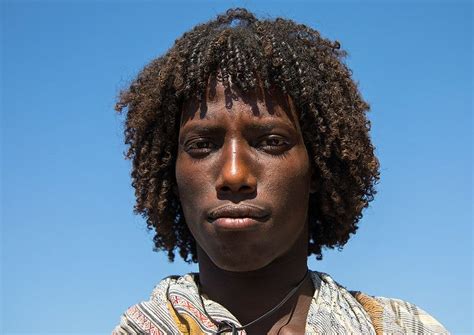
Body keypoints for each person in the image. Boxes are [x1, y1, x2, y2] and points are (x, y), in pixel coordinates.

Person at [112, 8, 448, 334]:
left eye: (271, 142)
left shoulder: (400, 328)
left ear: (317, 168)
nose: (233, 175)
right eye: (202, 145)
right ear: (172, 173)